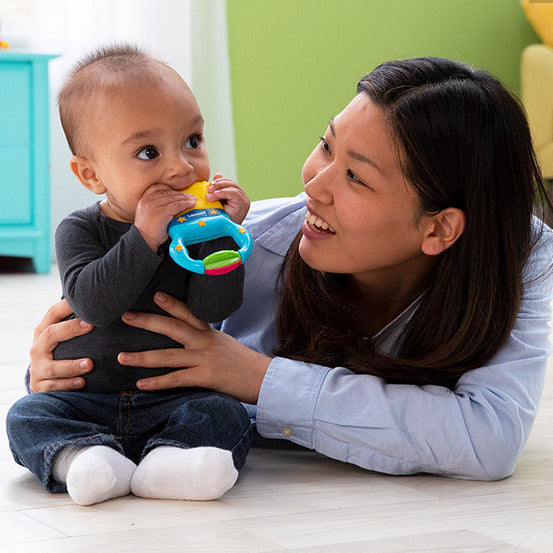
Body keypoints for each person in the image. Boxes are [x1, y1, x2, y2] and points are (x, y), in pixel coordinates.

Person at [15, 57, 553, 483]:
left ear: (440, 229)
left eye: (356, 178)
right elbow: (128, 345)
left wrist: (258, 378)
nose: (312, 187)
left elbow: (488, 440)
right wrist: (55, 369)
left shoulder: (522, 259)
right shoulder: (247, 241)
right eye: (325, 146)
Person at [6, 44, 253, 505]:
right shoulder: (80, 228)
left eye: (192, 141)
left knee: (226, 413)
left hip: (176, 399)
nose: (181, 167)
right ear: (90, 175)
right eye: (148, 152)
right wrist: (142, 236)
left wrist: (224, 238)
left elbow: (214, 308)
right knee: (27, 416)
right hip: (84, 399)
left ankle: (172, 463)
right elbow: (93, 304)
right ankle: (84, 461)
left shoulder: (202, 227)